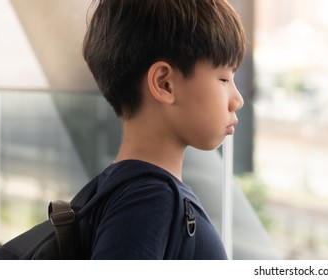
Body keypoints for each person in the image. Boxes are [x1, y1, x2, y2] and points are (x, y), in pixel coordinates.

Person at [81, 0, 246, 259]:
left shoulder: (113, 188)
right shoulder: (149, 202)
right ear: (164, 83)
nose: (237, 100)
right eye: (224, 79)